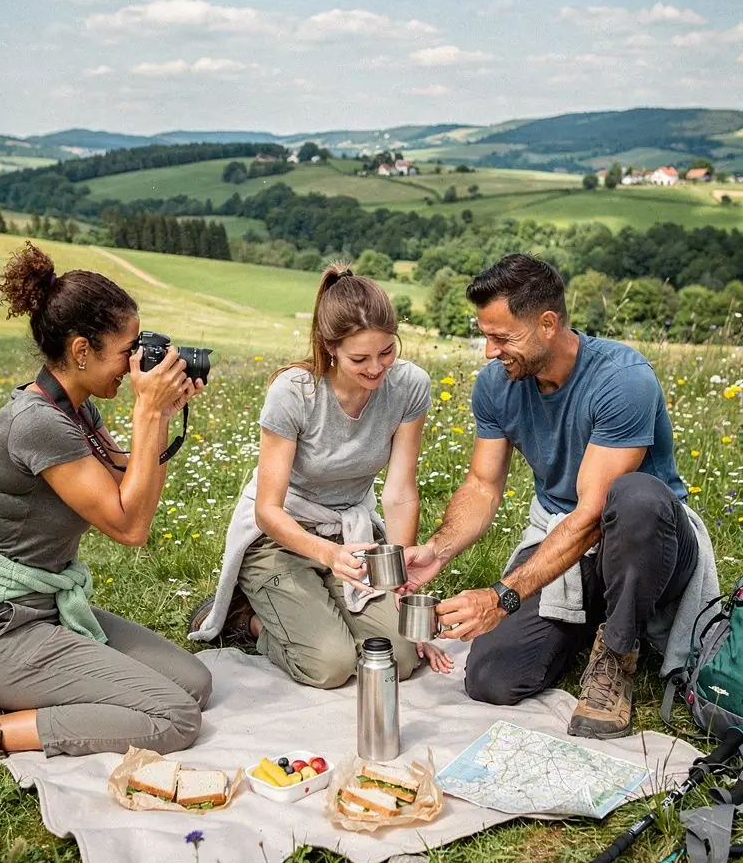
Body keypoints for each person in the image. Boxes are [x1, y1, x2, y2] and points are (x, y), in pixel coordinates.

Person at [403, 253, 718, 739]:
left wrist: (503, 596)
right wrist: (437, 551)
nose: (489, 351)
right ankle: (585, 625)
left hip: (648, 544)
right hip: (566, 542)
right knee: (492, 679)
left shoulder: (622, 379)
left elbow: (594, 514)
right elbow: (482, 485)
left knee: (634, 498)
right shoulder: (496, 385)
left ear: (547, 324)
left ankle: (617, 651)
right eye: (485, 335)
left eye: (502, 337)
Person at [0, 243, 212, 773]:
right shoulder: (37, 422)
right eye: (127, 350)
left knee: (194, 684)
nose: (134, 365)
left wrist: (163, 413)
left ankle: (10, 696)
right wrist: (146, 414)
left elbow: (132, 482)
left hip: (44, 610)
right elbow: (129, 527)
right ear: (82, 350)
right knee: (174, 718)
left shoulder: (76, 409)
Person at [189, 265, 449, 687]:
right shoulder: (294, 393)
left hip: (351, 535)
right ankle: (248, 620)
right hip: (280, 538)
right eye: (359, 359)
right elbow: (267, 511)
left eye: (386, 352)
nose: (376, 369)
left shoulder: (408, 387)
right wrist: (328, 557)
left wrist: (397, 577)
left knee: (398, 658)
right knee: (331, 665)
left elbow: (400, 491)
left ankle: (317, 608)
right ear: (330, 348)